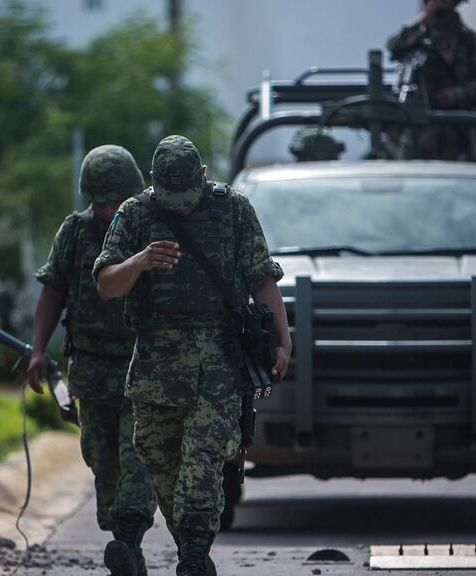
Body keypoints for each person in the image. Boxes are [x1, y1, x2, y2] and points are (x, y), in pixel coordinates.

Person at [94, 135, 291, 576]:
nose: (182, 207)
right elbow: (106, 284)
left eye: (188, 196)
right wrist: (140, 261)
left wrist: (283, 339)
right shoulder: (136, 214)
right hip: (154, 367)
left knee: (203, 458)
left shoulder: (234, 210)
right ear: (153, 183)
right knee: (158, 457)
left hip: (219, 363)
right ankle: (190, 543)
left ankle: (194, 556)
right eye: (172, 198)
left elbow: (262, 278)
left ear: (203, 176)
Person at [27, 145, 156, 576]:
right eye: (97, 201)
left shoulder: (149, 226)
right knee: (102, 462)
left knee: (136, 453)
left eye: (112, 201)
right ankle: (123, 538)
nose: (104, 210)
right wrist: (38, 350)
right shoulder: (75, 232)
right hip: (92, 369)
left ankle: (129, 538)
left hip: (142, 367)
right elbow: (52, 291)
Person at [387, 0, 476, 112]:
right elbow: (393, 48)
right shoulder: (416, 37)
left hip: (456, 121)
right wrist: (424, 18)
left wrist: (455, 95)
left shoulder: (472, 41)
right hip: (416, 119)